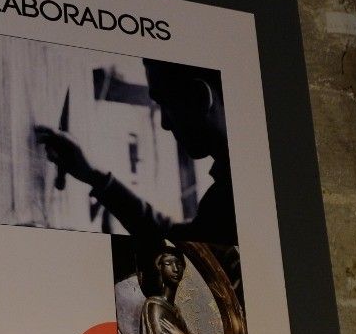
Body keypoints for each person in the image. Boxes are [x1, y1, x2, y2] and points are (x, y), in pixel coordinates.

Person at [32, 59, 237, 247]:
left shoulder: (229, 200)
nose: (165, 123)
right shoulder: (227, 196)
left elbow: (177, 244)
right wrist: (95, 176)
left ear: (200, 97)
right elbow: (173, 237)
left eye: (165, 104)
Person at [138, 246, 220, 334]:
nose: (175, 269)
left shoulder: (176, 311)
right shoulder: (155, 307)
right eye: (169, 263)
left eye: (179, 263)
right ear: (160, 268)